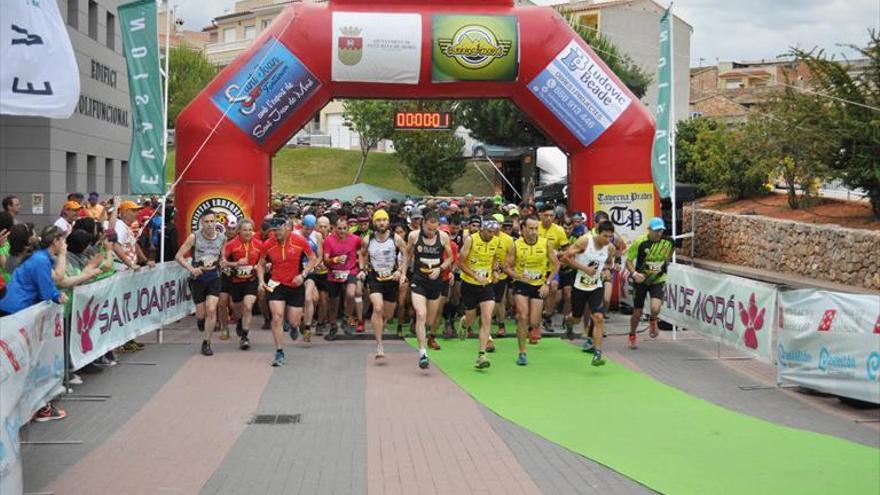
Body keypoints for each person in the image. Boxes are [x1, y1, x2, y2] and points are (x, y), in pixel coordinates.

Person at [257, 217, 317, 367]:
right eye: (273, 230)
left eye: (278, 229)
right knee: (277, 317)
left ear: (286, 228)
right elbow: (260, 265)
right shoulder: (268, 244)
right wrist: (261, 282)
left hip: (295, 284)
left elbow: (312, 258)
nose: (276, 233)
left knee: (293, 321)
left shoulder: (299, 241)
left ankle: (295, 326)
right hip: (276, 285)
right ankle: (279, 352)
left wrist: (302, 275)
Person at [400, 210, 453, 370]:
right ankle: (423, 353)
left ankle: (426, 335)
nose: (431, 233)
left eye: (434, 230)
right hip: (419, 281)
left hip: (435, 282)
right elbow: (407, 255)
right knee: (421, 315)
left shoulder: (443, 237)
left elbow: (450, 257)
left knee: (430, 320)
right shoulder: (414, 236)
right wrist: (403, 273)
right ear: (423, 224)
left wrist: (441, 268)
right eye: (429, 229)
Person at [504, 215, 559, 365]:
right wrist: (516, 275)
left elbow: (556, 265)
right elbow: (506, 266)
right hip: (521, 284)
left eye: (536, 228)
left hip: (539, 284)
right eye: (530, 228)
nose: (534, 232)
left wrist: (547, 283)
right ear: (523, 229)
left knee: (534, 321)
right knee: (522, 316)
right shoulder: (515, 245)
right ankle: (522, 352)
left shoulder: (545, 244)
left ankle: (532, 328)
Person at [562, 221, 616, 366]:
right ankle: (568, 322)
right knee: (576, 318)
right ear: (598, 233)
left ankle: (597, 353)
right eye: (605, 236)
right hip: (579, 286)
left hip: (596, 286)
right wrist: (584, 269)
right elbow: (565, 258)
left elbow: (609, 263)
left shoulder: (609, 248)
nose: (607, 240)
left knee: (598, 317)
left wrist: (606, 271)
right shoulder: (585, 241)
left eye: (610, 237)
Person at [175, 210, 225, 356]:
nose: (209, 225)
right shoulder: (194, 237)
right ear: (201, 223)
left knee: (211, 309)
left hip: (214, 277)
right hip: (198, 279)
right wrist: (192, 268)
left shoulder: (222, 238)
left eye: (212, 221)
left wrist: (223, 262)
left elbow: (222, 255)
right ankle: (200, 320)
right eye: (206, 222)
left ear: (216, 222)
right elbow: (178, 256)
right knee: (201, 314)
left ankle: (206, 343)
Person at [458, 216, 505, 369]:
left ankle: (481, 355)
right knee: (471, 318)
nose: (492, 234)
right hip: (469, 284)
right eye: (489, 231)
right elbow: (461, 263)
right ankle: (464, 323)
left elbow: (495, 259)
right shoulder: (471, 240)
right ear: (483, 229)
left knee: (486, 318)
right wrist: (475, 276)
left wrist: (495, 272)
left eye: (495, 232)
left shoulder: (496, 241)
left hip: (487, 285)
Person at [360, 209, 407, 359]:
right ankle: (379, 345)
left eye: (384, 220)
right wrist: (362, 269)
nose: (382, 223)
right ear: (374, 223)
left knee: (387, 313)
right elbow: (362, 254)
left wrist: (401, 271)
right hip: (375, 277)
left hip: (391, 279)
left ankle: (381, 325)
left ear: (388, 222)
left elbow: (406, 254)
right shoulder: (368, 239)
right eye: (379, 220)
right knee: (378, 307)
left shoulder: (396, 239)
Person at [625, 217, 674, 349]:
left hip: (658, 279)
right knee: (637, 312)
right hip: (641, 281)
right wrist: (635, 274)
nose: (659, 233)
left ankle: (653, 320)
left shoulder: (668, 241)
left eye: (661, 230)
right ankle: (632, 334)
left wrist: (665, 263)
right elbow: (628, 261)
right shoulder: (640, 243)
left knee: (655, 308)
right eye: (656, 230)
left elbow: (670, 252)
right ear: (649, 230)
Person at [222, 219, 262, 350]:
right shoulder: (231, 245)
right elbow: (222, 262)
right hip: (235, 281)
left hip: (251, 280)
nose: (248, 232)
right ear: (239, 231)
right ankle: (240, 322)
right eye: (245, 230)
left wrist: (263, 266)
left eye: (250, 230)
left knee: (248, 305)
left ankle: (245, 337)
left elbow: (264, 261)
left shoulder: (258, 244)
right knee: (238, 310)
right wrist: (236, 264)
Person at [323, 216, 362, 340]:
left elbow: (362, 252)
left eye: (344, 228)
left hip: (350, 271)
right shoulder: (329, 240)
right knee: (333, 303)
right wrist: (335, 259)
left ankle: (348, 319)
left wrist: (362, 268)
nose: (342, 231)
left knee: (351, 294)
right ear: (334, 228)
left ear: (348, 228)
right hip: (334, 273)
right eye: (339, 229)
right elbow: (325, 261)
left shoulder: (355, 239)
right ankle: (333, 325)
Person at [538, 203, 569, 332]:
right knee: (538, 293)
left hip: (552, 267)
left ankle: (547, 316)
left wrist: (558, 253)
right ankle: (536, 318)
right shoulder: (534, 227)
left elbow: (567, 250)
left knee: (554, 287)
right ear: (540, 215)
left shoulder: (559, 230)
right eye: (546, 215)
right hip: (536, 267)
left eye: (551, 216)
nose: (549, 218)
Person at [295, 214, 324, 342]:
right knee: (311, 298)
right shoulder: (294, 235)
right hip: (296, 270)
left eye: (311, 229)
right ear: (302, 226)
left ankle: (307, 328)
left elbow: (319, 256)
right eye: (306, 228)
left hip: (310, 271)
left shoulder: (317, 236)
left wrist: (314, 266)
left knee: (309, 297)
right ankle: (301, 320)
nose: (308, 232)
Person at [112, 200, 152, 271]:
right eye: (134, 211)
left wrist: (146, 261)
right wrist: (131, 265)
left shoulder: (126, 226)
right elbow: (115, 246)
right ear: (124, 213)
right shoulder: (120, 226)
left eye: (137, 210)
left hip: (126, 268)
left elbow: (135, 245)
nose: (137, 213)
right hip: (121, 269)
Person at [492, 215, 515, 338]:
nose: (498, 226)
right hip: (485, 274)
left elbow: (512, 258)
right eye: (496, 223)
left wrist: (505, 267)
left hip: (501, 275)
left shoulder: (508, 239)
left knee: (500, 301)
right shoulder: (484, 236)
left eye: (500, 224)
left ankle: (501, 325)